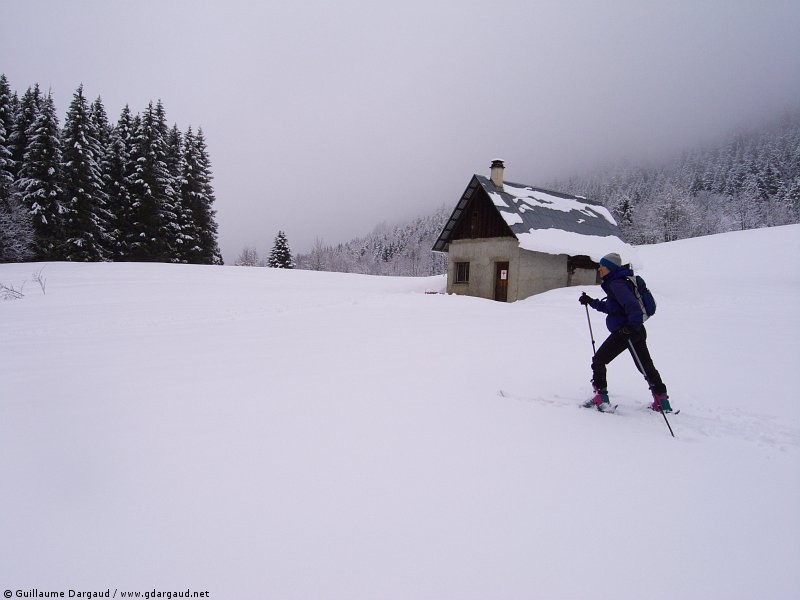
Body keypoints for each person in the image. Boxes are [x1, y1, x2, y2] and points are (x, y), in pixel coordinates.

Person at [578, 252, 672, 413]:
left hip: (626, 332)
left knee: (599, 360)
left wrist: (629, 327)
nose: (599, 269)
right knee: (645, 366)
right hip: (636, 330)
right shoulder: (619, 282)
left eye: (603, 266)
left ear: (611, 268)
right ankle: (662, 401)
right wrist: (591, 302)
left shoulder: (617, 284)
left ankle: (602, 399)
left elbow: (632, 307)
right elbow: (612, 307)